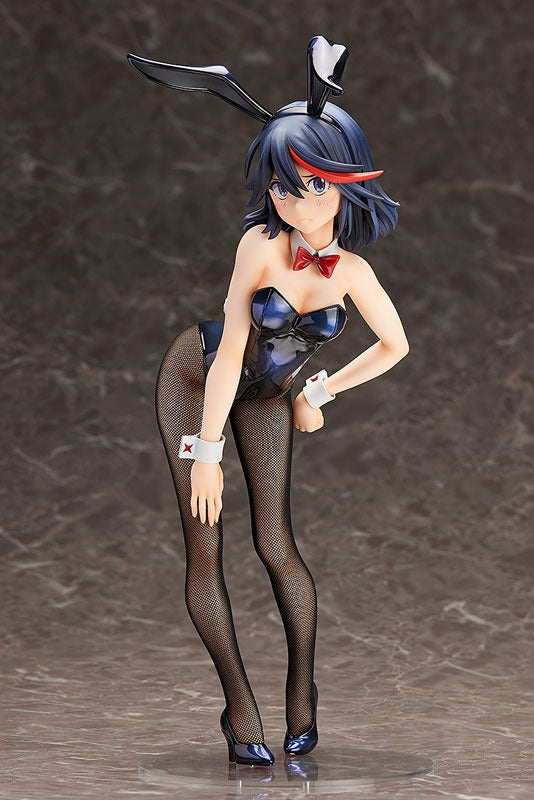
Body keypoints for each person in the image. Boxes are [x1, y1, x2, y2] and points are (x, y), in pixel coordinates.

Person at [127, 36, 409, 766]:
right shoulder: (259, 245)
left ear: (345, 180)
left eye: (310, 183)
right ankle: (240, 710)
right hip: (198, 382)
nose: (292, 200)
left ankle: (302, 700)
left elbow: (394, 345)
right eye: (282, 185)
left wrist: (322, 388)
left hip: (267, 395)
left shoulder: (353, 272)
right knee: (206, 545)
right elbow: (227, 353)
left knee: (277, 546)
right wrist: (206, 452)